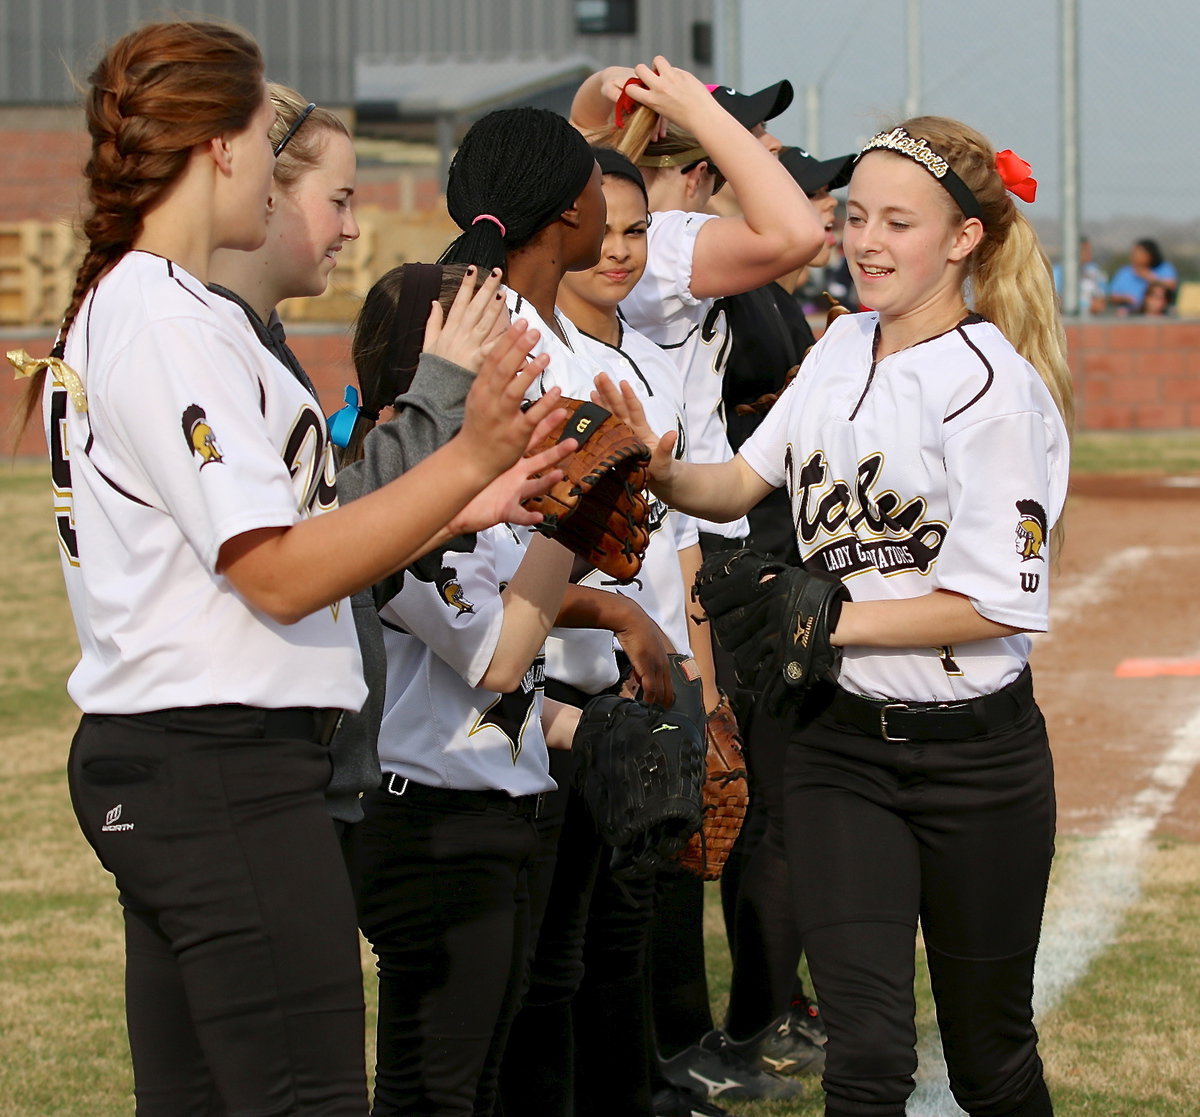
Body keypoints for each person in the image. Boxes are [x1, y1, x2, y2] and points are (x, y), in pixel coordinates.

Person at [14, 21, 574, 1115]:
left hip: (193, 764)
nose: (279, 175)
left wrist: (464, 493)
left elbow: (290, 547)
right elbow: (272, 573)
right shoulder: (165, 320)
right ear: (222, 149)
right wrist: (466, 451)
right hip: (222, 770)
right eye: (265, 140)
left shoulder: (159, 308)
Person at [596, 115, 1072, 1117]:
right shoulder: (842, 343)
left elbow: (996, 603)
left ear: (962, 240)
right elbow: (737, 483)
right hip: (838, 751)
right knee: (865, 1060)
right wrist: (659, 465)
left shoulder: (996, 393)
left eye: (899, 221)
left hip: (976, 764)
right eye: (856, 216)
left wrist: (824, 617)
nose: (866, 241)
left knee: (991, 1058)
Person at [1107, 237, 1177, 314]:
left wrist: (1149, 278)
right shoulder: (1125, 272)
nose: (1133, 256)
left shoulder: (1164, 268)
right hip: (1131, 312)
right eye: (1133, 253)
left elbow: (1171, 286)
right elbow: (1112, 296)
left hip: (1159, 312)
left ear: (1150, 255)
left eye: (1138, 253)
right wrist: (1126, 299)